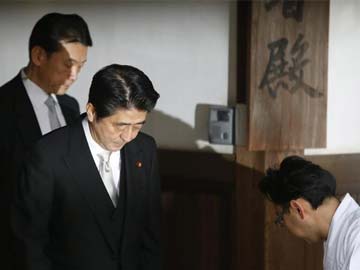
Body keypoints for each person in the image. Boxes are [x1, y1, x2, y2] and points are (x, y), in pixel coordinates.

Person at [12, 64, 162, 270]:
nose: (129, 136)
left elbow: (151, 235)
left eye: (138, 126)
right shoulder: (48, 155)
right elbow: (30, 244)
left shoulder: (145, 149)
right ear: (92, 112)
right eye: (120, 125)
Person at [0, 12, 92, 269]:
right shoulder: (4, 107)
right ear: (39, 56)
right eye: (67, 64)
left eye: (81, 66)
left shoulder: (71, 106)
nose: (74, 75)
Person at [258, 155, 360, 270]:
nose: (284, 226)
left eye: (281, 219)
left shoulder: (356, 237)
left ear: (298, 209)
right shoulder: (339, 231)